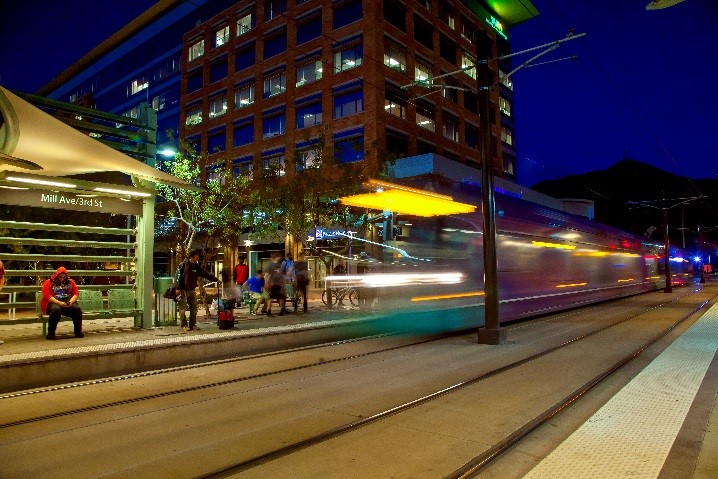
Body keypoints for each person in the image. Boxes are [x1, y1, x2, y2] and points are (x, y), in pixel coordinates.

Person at [178, 249, 218, 332]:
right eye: (197, 255)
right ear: (193, 256)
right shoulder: (183, 265)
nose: (199, 257)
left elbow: (204, 274)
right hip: (183, 290)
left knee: (194, 309)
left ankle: (192, 324)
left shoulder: (196, 266)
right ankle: (184, 325)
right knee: (182, 309)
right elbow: (178, 278)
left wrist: (215, 279)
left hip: (192, 290)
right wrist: (178, 289)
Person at [41, 267, 83, 340]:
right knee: (56, 310)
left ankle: (78, 332)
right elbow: (47, 296)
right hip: (53, 303)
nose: (62, 279)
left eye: (64, 277)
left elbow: (76, 293)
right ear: (57, 276)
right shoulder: (48, 282)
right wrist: (59, 303)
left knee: (77, 309)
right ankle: (51, 334)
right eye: (60, 277)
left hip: (66, 302)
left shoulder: (70, 282)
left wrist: (71, 302)